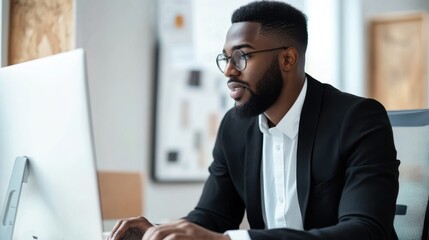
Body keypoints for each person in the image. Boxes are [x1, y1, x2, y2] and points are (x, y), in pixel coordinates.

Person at [108, 1, 400, 239]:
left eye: (242, 57)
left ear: (288, 59)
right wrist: (160, 232)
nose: (229, 72)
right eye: (225, 59)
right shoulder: (234, 128)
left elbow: (364, 230)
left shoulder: (357, 120)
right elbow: (213, 216)